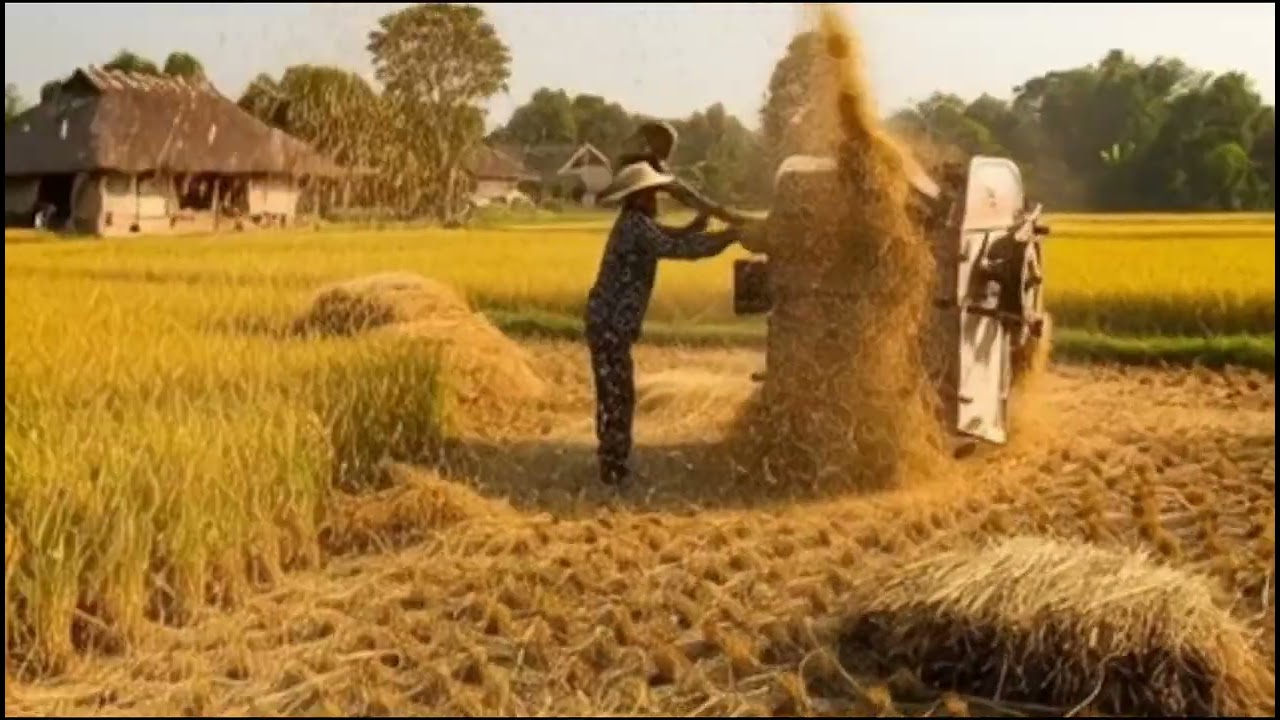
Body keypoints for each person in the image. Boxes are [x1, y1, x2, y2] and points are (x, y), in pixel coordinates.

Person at [585, 161, 742, 486]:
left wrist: (697, 224)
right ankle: (613, 468)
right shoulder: (636, 227)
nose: (657, 199)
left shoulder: (634, 223)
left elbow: (670, 235)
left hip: (605, 322)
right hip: (611, 324)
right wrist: (731, 235)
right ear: (641, 197)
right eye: (653, 194)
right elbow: (679, 248)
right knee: (619, 394)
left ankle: (612, 461)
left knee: (613, 393)